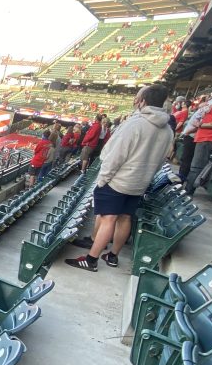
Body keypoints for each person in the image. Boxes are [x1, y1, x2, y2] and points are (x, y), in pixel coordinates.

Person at [65, 84, 172, 271]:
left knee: (108, 219)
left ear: (144, 101)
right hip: (140, 183)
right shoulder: (168, 130)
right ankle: (113, 256)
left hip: (119, 181)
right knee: (125, 218)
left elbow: (115, 155)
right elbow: (164, 158)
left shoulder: (135, 123)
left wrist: (103, 179)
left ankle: (91, 260)